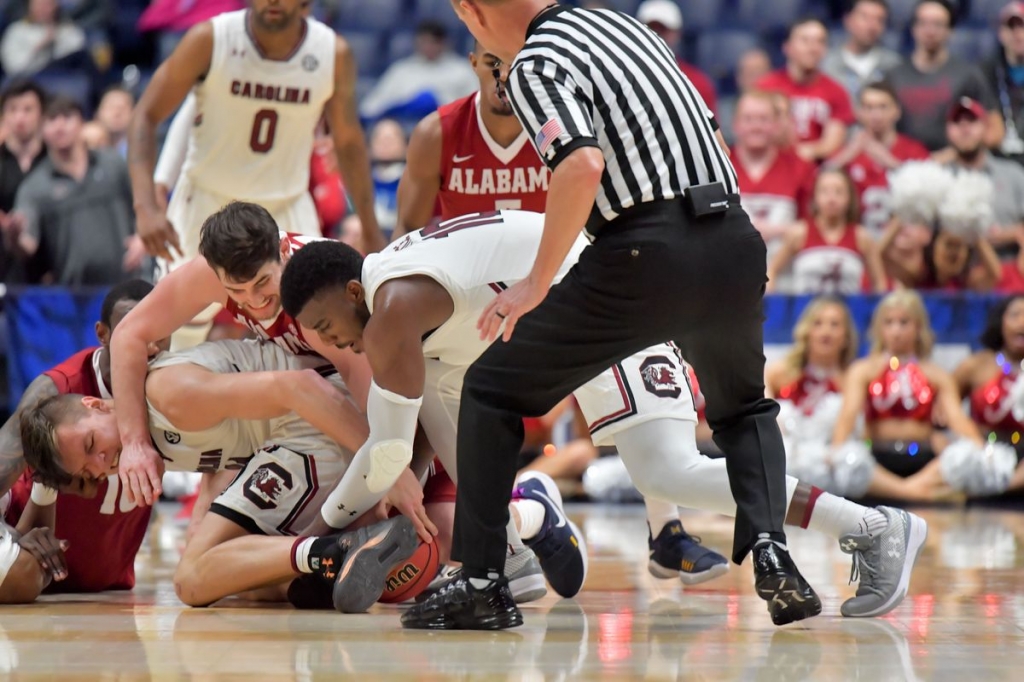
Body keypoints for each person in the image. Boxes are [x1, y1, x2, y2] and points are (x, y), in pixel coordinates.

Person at [278, 214, 927, 625]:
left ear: (353, 293)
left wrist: (309, 539)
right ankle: (508, 550)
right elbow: (408, 445)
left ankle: (874, 525)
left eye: (334, 328)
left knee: (668, 469)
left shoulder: (391, 307)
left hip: (611, 301)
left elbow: (386, 454)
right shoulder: (398, 294)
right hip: (563, 312)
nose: (344, 346)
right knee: (462, 420)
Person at [410, 0, 815, 631]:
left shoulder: (533, 61)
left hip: (644, 250)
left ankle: (483, 583)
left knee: (490, 390)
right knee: (744, 411)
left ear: (472, 11)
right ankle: (773, 552)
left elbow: (581, 163)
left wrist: (535, 283)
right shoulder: (626, 27)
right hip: (735, 238)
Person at [393, 41, 728, 584]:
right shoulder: (439, 132)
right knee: (435, 391)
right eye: (491, 63)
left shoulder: (561, 125)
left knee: (632, 376)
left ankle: (665, 531)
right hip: (476, 302)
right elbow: (407, 234)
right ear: (474, 63)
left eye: (511, 64)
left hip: (561, 286)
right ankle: (504, 538)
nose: (503, 77)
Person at [19, 337, 418, 612]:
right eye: (90, 470)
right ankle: (332, 566)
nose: (103, 461)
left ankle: (337, 550)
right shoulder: (150, 434)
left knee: (191, 579)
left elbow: (300, 386)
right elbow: (231, 449)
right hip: (305, 435)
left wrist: (385, 461)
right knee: (239, 578)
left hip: (322, 420)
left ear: (99, 405)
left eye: (91, 444)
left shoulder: (166, 392)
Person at [111, 202, 371, 511]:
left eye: (262, 282)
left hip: (383, 370)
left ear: (283, 249)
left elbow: (369, 384)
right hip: (310, 382)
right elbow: (128, 334)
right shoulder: (208, 274)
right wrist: (134, 443)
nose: (255, 300)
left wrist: (382, 475)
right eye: (238, 290)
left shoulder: (315, 290)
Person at [127, 0, 383, 276]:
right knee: (179, 318)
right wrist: (145, 206)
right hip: (205, 200)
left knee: (313, 312)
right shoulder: (210, 39)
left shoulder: (332, 53)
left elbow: (348, 143)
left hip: (286, 204)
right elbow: (146, 115)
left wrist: (370, 227)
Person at [0, 281, 161, 602]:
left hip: (108, 593)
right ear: (103, 333)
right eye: (132, 330)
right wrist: (16, 540)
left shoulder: (173, 385)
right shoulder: (55, 391)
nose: (149, 345)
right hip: (34, 579)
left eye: (158, 331)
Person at [831, 290, 1017, 499]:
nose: (896, 331)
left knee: (965, 456)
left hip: (923, 460)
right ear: (879, 328)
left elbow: (958, 420)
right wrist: (838, 450)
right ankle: (911, 492)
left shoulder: (935, 373)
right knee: (847, 458)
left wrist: (981, 451)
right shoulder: (863, 369)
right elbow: (848, 415)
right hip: (878, 458)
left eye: (904, 322)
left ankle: (904, 490)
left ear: (918, 327)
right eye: (889, 322)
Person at [8, 95, 146, 285]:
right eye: (52, 120)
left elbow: (145, 202)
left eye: (67, 117)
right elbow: (28, 244)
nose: (60, 126)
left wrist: (142, 238)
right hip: (73, 295)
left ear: (82, 122)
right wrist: (14, 236)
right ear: (41, 130)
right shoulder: (34, 186)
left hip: (128, 283)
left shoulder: (113, 163)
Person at [883, 0, 1004, 152]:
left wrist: (961, 152)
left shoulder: (968, 75)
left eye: (938, 24)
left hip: (955, 166)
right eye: (923, 23)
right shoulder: (893, 75)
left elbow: (995, 131)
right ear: (913, 28)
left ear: (950, 31)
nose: (930, 31)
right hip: (902, 164)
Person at [827, 81, 930, 237]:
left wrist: (892, 164)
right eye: (869, 108)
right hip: (856, 239)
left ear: (897, 111)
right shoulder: (846, 154)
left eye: (883, 107)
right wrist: (845, 157)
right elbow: (817, 187)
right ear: (858, 113)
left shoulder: (915, 151)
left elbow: (929, 195)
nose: (876, 115)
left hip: (902, 239)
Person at [767, 169, 887, 294]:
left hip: (849, 311)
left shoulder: (862, 237)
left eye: (839, 192)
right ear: (815, 196)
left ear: (850, 197)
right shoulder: (799, 233)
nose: (831, 198)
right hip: (805, 311)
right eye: (824, 192)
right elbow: (772, 271)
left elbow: (879, 282)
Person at [756, 18, 855, 162]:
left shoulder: (837, 91)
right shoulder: (765, 88)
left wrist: (799, 154)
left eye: (820, 42)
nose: (813, 48)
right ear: (787, 47)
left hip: (818, 170)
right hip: (771, 165)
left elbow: (832, 144)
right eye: (805, 40)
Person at [954, 295, 1024, 493]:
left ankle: (1002, 487)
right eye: (1015, 315)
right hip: (985, 449)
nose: (1022, 322)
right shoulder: (977, 364)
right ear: (1000, 322)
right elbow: (945, 408)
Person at [360, 20, 478, 122]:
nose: (428, 47)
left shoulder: (462, 70)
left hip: (447, 125)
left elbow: (476, 107)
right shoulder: (402, 69)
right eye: (424, 42)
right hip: (402, 125)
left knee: (428, 99)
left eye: (433, 42)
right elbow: (372, 106)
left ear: (444, 43)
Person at [0, 79, 47, 283]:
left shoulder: (55, 160)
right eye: (13, 110)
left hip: (52, 272)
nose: (20, 117)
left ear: (42, 114)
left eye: (28, 109)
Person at [635, 0, 717, 114]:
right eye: (650, 28)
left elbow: (712, 129)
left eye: (663, 29)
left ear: (677, 33)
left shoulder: (698, 83)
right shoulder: (622, 77)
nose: (656, 35)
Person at [821, 0, 903, 102]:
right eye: (865, 18)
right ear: (848, 20)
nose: (872, 26)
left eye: (879, 20)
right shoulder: (826, 65)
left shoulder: (895, 65)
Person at [981, 2, 1024, 165]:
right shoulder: (983, 73)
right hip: (995, 161)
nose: (1018, 33)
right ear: (1001, 33)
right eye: (1011, 27)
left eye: (1023, 26)